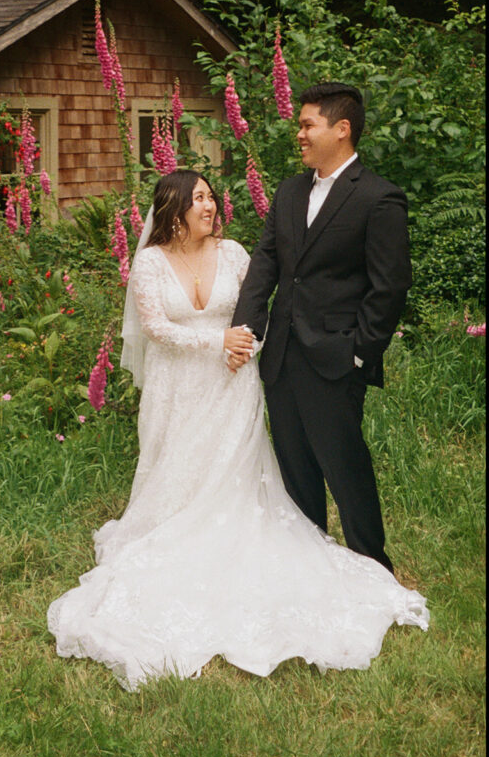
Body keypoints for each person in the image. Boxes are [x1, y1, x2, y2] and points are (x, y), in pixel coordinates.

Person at [47, 169, 428, 692]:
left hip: (234, 383)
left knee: (236, 470)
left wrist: (245, 343)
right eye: (198, 198)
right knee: (177, 471)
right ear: (174, 211)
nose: (209, 205)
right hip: (178, 385)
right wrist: (218, 343)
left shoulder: (234, 254)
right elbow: (155, 327)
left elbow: (260, 297)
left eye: (210, 196)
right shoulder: (151, 262)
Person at [231, 82, 410, 574]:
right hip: (282, 355)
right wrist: (246, 330)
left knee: (345, 468)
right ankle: (311, 569)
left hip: (336, 358)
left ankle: (373, 568)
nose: (300, 134)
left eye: (308, 124)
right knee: (296, 470)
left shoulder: (378, 198)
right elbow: (265, 264)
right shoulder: (289, 191)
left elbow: (389, 286)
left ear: (342, 129)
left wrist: (359, 352)